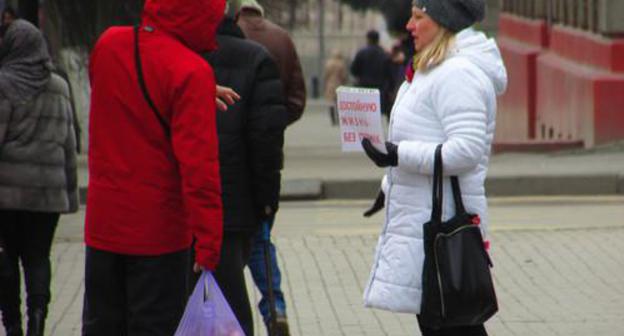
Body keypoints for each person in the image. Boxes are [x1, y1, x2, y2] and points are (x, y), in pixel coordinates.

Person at [360, 0, 507, 335]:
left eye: (418, 17)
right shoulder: (433, 68)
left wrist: (397, 154)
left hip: (443, 227)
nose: (409, 26)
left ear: (444, 21)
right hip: (427, 222)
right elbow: (429, 137)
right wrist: (389, 185)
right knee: (443, 324)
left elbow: (466, 151)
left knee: (451, 325)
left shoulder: (458, 74)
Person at [82, 0, 225, 335]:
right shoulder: (191, 72)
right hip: (158, 236)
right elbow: (199, 169)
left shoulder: (108, 44)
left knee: (101, 326)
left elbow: (118, 89)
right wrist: (208, 243)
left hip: (103, 229)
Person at [201, 11, 287, 336]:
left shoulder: (180, 55)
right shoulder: (257, 57)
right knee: (232, 302)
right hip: (237, 202)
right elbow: (266, 140)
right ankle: (275, 307)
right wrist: (267, 202)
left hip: (182, 205)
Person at [0, 19, 78, 336]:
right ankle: (38, 319)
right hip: (48, 194)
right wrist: (70, 196)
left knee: (7, 257)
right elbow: (68, 143)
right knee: (38, 257)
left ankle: (13, 325)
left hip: (7, 194)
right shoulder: (59, 86)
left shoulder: (4, 84)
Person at [237, 1, 306, 334]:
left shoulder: (221, 39)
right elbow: (297, 101)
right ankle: (274, 306)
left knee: (227, 242)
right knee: (261, 238)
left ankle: (230, 314)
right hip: (267, 156)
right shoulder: (282, 38)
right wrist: (273, 124)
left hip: (226, 157)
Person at [350, 29, 392, 117]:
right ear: (378, 39)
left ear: (368, 39)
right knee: (376, 114)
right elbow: (389, 73)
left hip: (364, 88)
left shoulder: (361, 53)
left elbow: (353, 70)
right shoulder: (384, 54)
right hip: (379, 90)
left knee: (364, 115)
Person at [324, 50, 348, 125]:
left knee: (331, 102)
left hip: (330, 85)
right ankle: (339, 119)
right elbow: (344, 76)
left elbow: (326, 75)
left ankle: (333, 119)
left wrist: (325, 83)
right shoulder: (341, 64)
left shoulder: (328, 63)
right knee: (339, 103)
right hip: (339, 84)